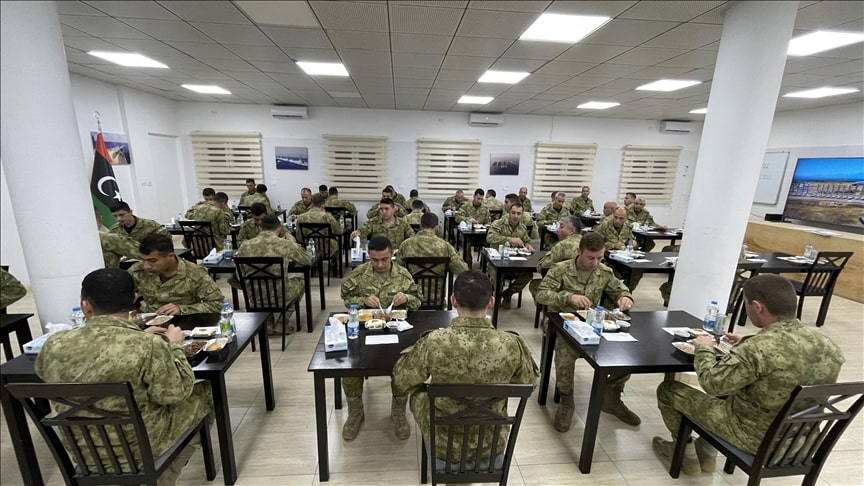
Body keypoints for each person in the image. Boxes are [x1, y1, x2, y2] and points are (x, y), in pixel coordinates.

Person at [35, 268, 213, 485]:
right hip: (139, 448)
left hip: (84, 449)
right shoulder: (148, 345)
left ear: (85, 306)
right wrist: (174, 346)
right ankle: (161, 477)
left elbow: (45, 373)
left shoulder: (54, 344)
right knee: (203, 394)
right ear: (134, 300)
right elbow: (173, 394)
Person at [653, 274, 845, 475]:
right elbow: (790, 356)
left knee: (669, 390)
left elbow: (712, 384)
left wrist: (704, 349)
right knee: (733, 390)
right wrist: (749, 340)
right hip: (801, 443)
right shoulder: (829, 346)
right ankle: (706, 452)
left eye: (746, 304)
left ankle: (685, 454)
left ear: (757, 307)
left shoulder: (757, 349)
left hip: (755, 439)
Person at [391, 269, 539, 451]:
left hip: (442, 440)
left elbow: (401, 381)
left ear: (453, 301)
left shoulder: (434, 342)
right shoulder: (512, 344)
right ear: (491, 302)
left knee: (416, 391)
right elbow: (530, 383)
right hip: (491, 440)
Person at [536, 232, 638, 430]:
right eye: (590, 258)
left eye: (600, 258)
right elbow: (541, 294)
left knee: (628, 350)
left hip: (593, 323)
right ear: (579, 251)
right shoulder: (561, 270)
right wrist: (568, 297)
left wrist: (625, 298)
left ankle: (611, 396)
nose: (595, 263)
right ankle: (567, 400)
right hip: (561, 323)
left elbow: (619, 289)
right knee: (565, 352)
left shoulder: (604, 272)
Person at [339, 236, 423, 441]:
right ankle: (355, 412)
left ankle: (398, 411)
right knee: (350, 365)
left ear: (392, 254)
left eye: (384, 259)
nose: (380, 264)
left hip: (396, 331)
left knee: (403, 366)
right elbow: (346, 298)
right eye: (374, 260)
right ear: (369, 256)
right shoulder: (359, 274)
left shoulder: (403, 274)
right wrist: (362, 300)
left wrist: (407, 298)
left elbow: (418, 300)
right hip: (365, 330)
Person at [236, 216, 311, 335]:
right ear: (279, 229)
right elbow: (307, 260)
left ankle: (268, 322)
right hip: (280, 294)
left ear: (260, 228)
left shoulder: (245, 245)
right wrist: (293, 243)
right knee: (301, 282)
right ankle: (281, 322)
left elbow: (239, 272)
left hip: (254, 295)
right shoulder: (285, 244)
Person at [128, 235, 224, 315]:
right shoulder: (138, 271)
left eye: (152, 261)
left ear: (171, 256)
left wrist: (182, 309)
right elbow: (122, 296)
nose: (146, 266)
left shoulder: (194, 273)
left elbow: (217, 304)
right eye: (143, 260)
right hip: (149, 321)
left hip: (184, 321)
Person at [486, 202, 535, 309]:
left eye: (518, 213)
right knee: (496, 275)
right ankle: (497, 295)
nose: (515, 216)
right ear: (508, 212)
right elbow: (490, 237)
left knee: (528, 274)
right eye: (513, 213)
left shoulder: (522, 227)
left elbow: (526, 241)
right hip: (497, 260)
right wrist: (509, 239)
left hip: (515, 261)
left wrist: (528, 246)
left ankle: (508, 293)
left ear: (522, 215)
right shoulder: (498, 223)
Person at [397, 212, 468, 283]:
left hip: (412, 288)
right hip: (437, 288)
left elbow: (397, 269)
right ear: (437, 228)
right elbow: (463, 270)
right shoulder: (445, 246)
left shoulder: (405, 245)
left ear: (420, 226)